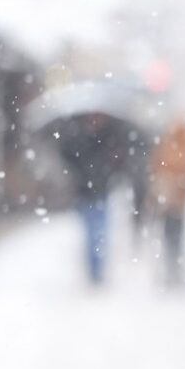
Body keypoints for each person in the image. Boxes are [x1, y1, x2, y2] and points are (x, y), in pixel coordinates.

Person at [54, 112, 131, 285]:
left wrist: (112, 168)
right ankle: (93, 268)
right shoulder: (77, 138)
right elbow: (69, 157)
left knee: (100, 232)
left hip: (101, 192)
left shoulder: (109, 137)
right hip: (84, 193)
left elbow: (119, 160)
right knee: (91, 232)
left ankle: (98, 268)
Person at [150, 117, 185, 287]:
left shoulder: (171, 148)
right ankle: (172, 269)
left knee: (172, 236)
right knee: (174, 236)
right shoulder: (179, 149)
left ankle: (172, 269)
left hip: (173, 202)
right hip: (173, 202)